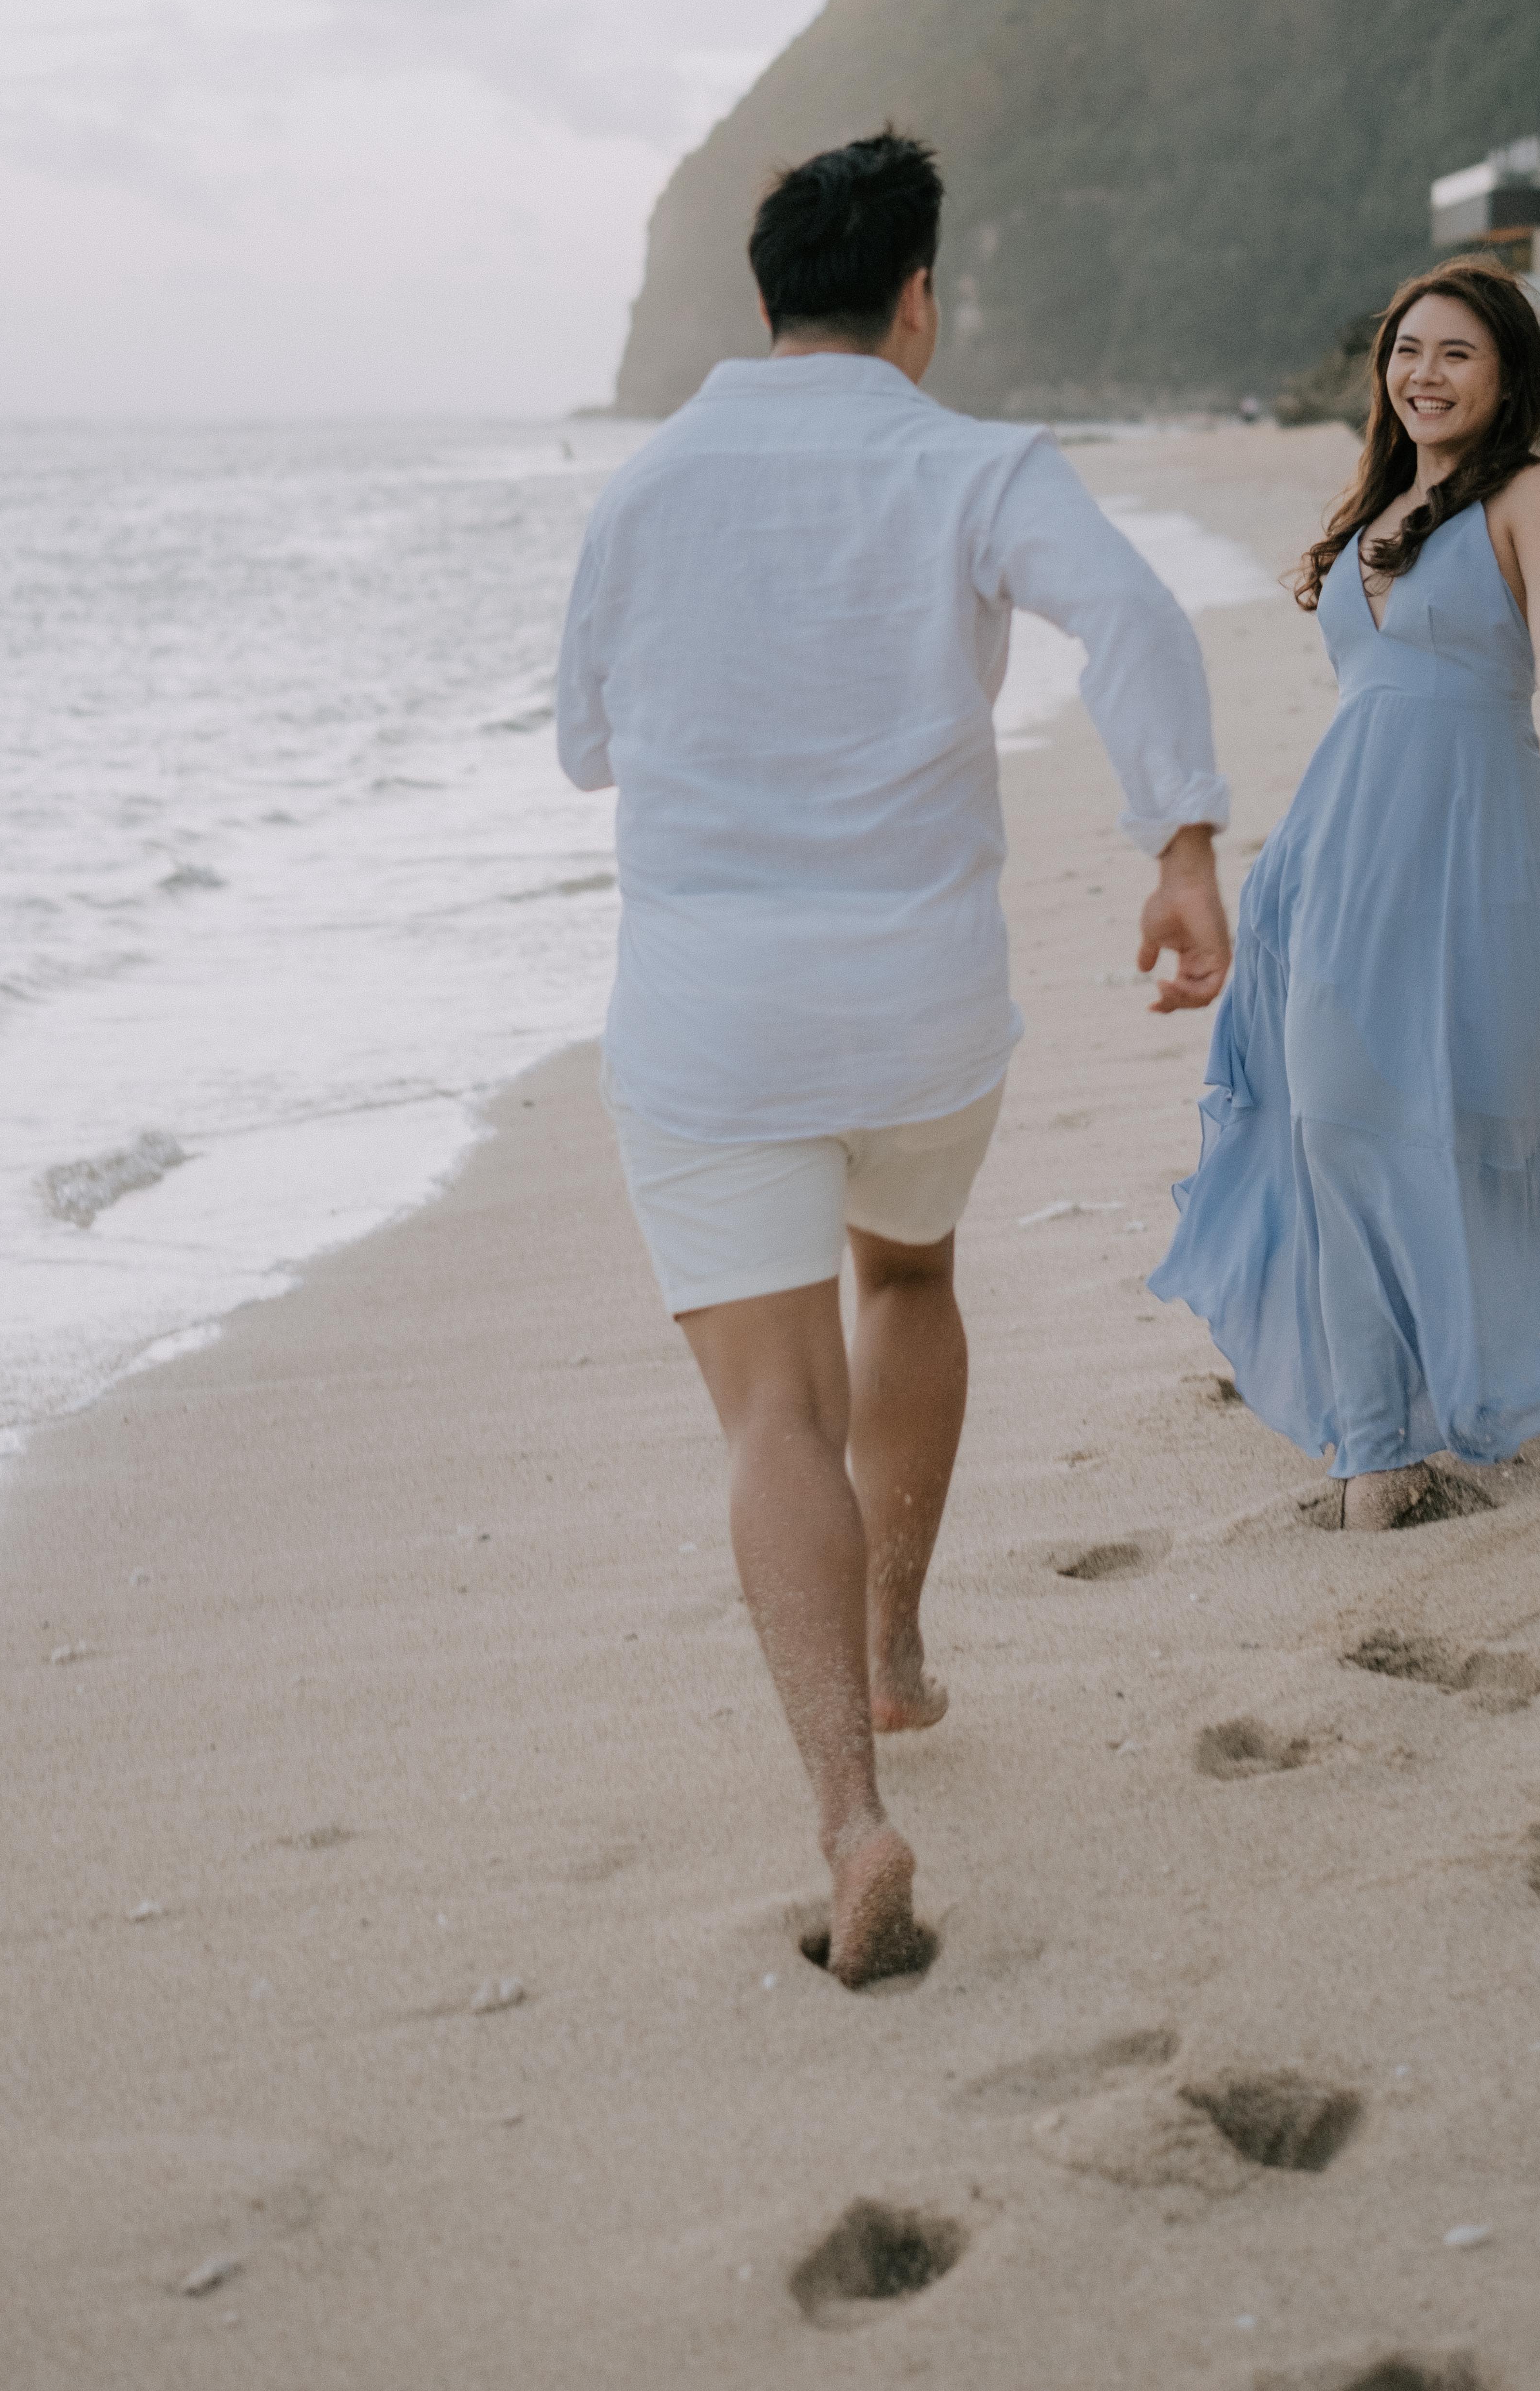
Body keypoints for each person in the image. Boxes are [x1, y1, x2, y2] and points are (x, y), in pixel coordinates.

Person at [556, 132, 1232, 1977]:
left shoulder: (647, 489)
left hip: (709, 1017)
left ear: (763, 300)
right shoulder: (973, 463)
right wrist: (1178, 846)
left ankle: (851, 1814)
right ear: (919, 299)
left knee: (775, 1412)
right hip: (924, 1002)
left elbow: (584, 747)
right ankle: (899, 1642)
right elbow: (1137, 619)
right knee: (911, 1269)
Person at [1151, 260, 1540, 1526]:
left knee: (1445, 1130)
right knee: (1324, 1126)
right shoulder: (1371, 504)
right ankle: (1372, 1445)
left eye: (1456, 355)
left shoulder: (1529, 492)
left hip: (1475, 860)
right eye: (1406, 352)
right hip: (1334, 857)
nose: (1423, 375)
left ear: (1506, 379)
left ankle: (1413, 1417)